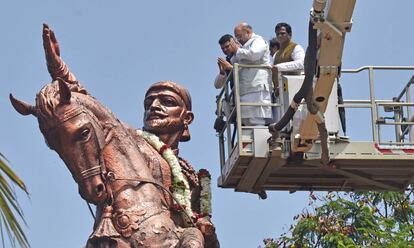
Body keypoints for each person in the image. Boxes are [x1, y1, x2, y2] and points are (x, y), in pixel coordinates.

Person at [143, 81, 220, 248]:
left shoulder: (193, 175)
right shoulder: (131, 149)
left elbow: (202, 217)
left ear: (187, 118)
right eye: (148, 103)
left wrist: (205, 224)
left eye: (167, 102)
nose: (154, 106)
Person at [232, 22, 273, 126]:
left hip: (257, 86)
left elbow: (254, 54)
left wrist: (237, 50)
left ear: (248, 31)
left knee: (256, 119)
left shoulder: (258, 40)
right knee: (247, 120)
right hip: (246, 88)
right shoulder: (244, 46)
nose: (238, 39)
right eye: (236, 37)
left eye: (239, 36)